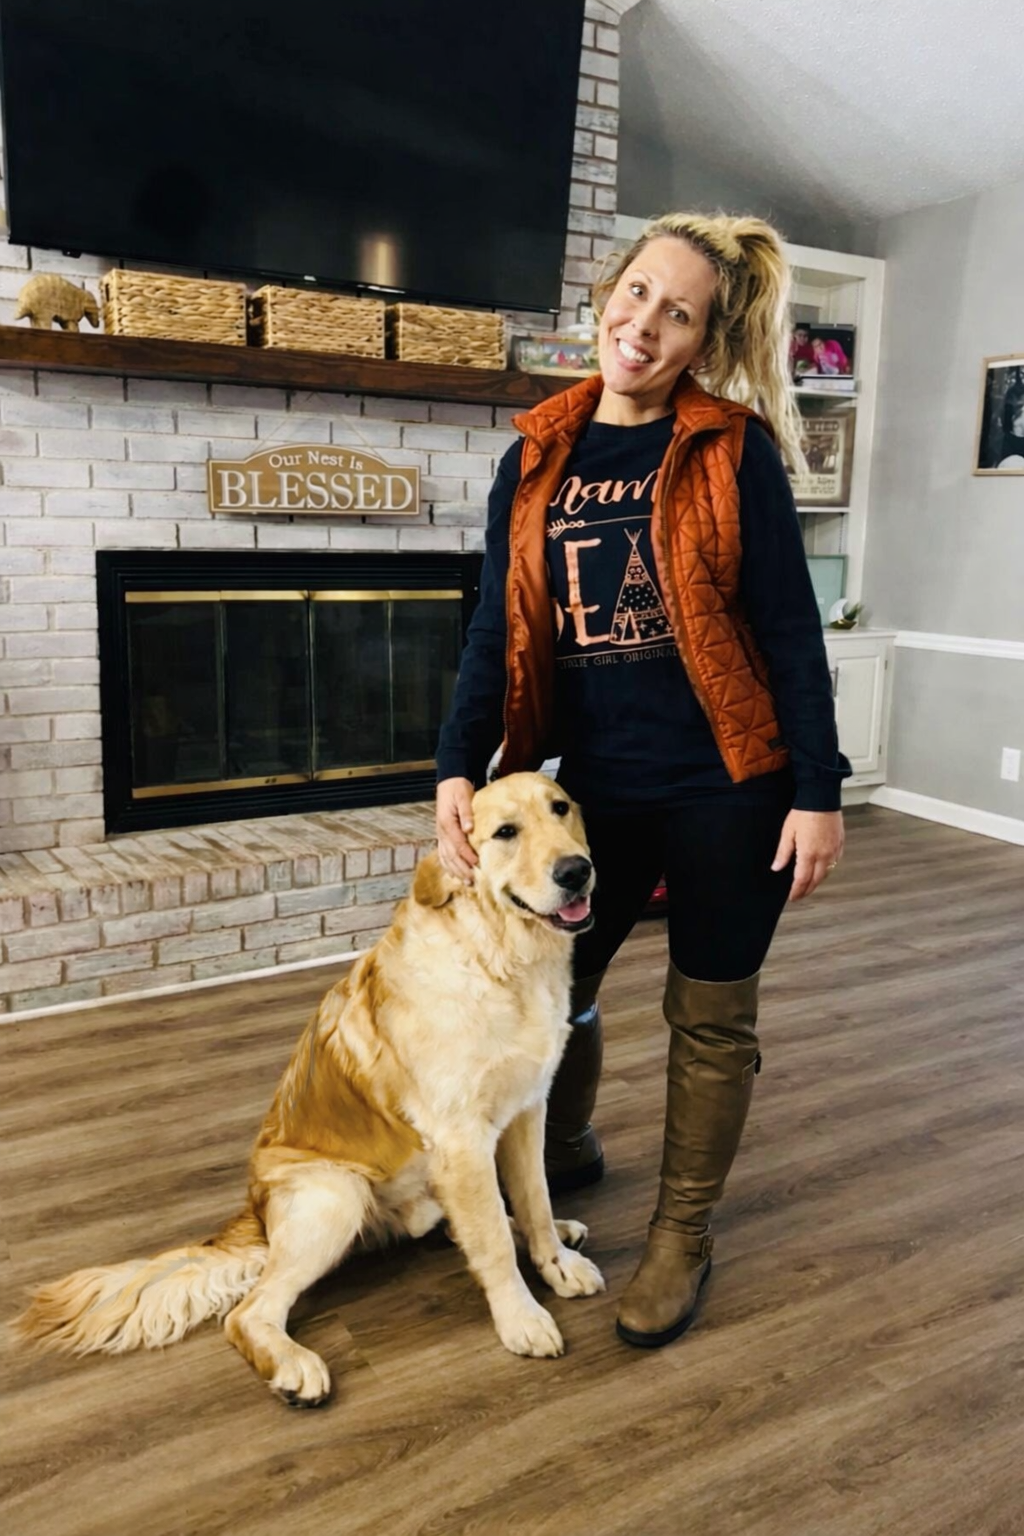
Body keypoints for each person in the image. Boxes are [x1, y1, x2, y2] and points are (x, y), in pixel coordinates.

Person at [434, 211, 849, 1350]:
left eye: (679, 314)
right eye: (637, 296)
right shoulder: (534, 455)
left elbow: (787, 628)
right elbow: (495, 630)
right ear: (603, 299)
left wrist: (817, 789)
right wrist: (454, 770)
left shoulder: (729, 448)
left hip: (731, 785)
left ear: (701, 342)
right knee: (556, 987)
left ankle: (682, 1234)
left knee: (709, 1019)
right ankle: (558, 1148)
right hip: (596, 785)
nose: (646, 325)